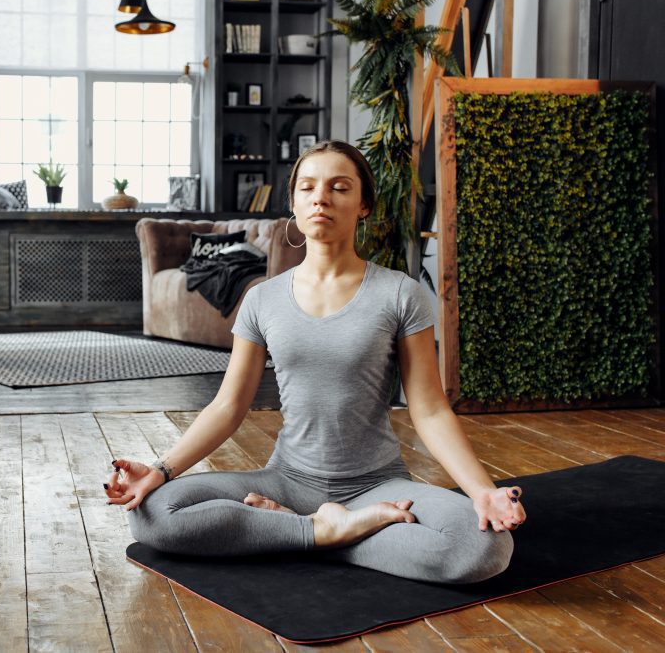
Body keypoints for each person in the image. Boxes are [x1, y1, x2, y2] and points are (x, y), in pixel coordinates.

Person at [104, 140, 526, 584]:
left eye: (339, 187)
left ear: (363, 205)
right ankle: (324, 530)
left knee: (485, 548)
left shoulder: (400, 293)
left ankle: (296, 531)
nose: (321, 197)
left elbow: (430, 408)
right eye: (307, 187)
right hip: (286, 480)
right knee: (153, 512)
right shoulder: (262, 299)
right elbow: (228, 407)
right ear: (294, 203)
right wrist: (160, 470)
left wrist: (482, 491)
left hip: (377, 484)